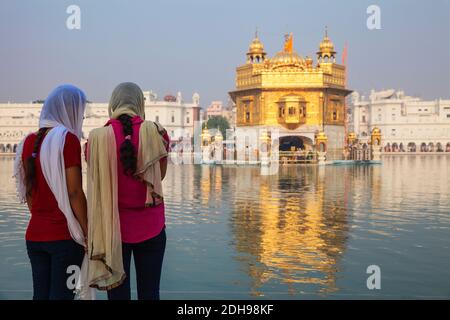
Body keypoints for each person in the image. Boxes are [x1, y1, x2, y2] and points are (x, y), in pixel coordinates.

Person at [86, 82, 169, 300]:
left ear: (112, 104)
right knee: (150, 293)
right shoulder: (157, 133)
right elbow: (158, 178)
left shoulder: (95, 140)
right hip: (151, 227)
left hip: (113, 231)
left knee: (118, 297)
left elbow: (97, 178)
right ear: (140, 104)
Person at [14, 85, 88, 300]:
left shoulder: (27, 142)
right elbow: (74, 192)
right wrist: (88, 231)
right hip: (65, 239)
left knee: (40, 296)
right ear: (69, 110)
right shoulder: (68, 140)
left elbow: (29, 192)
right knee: (64, 296)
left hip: (35, 237)